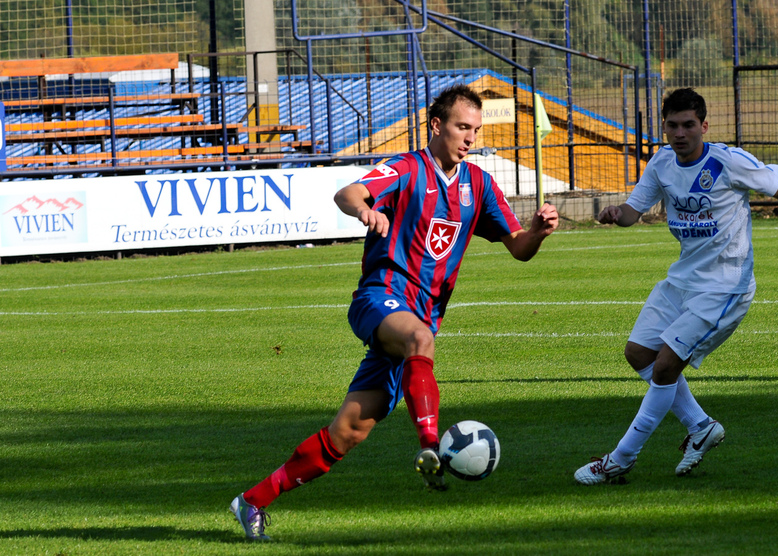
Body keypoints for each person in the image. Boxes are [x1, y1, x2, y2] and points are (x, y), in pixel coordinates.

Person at [230, 84, 559, 541]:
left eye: (476, 130)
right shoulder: (407, 168)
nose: (470, 137)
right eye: (462, 127)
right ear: (436, 125)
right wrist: (365, 211)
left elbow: (519, 248)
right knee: (421, 338)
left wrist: (538, 232)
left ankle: (252, 501)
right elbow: (347, 193)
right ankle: (431, 447)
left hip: (417, 322)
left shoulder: (479, 184)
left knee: (347, 432)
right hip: (380, 298)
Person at [573, 87, 778, 485]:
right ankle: (701, 426)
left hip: (725, 286)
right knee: (638, 353)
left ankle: (620, 459)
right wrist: (615, 213)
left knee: (665, 365)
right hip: (682, 279)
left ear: (704, 126)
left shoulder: (727, 161)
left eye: (688, 125)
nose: (680, 133)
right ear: (664, 127)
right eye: (672, 125)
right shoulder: (661, 163)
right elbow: (632, 212)